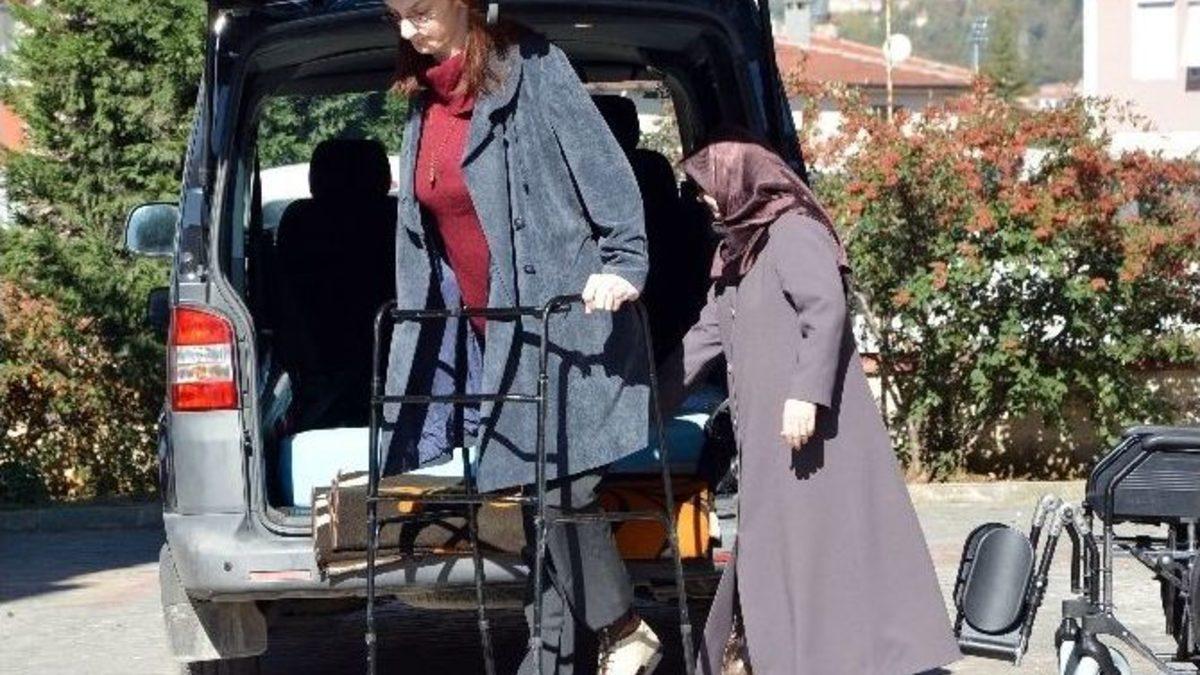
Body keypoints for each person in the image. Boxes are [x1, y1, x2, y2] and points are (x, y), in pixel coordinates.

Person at [380, 1, 663, 673]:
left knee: (562, 489)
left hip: (566, 321)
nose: (408, 31)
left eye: (419, 11)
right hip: (491, 337)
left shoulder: (534, 69)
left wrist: (625, 264)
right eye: (395, 17)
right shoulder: (424, 101)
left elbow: (605, 171)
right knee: (536, 497)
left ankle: (625, 629)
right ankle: (552, 658)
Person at [660, 136, 963, 675]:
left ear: (740, 182)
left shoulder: (794, 232)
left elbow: (825, 309)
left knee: (821, 555)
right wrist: (646, 403)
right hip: (769, 439)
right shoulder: (738, 252)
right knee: (779, 553)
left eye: (706, 187)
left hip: (811, 434)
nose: (701, 199)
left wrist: (806, 393)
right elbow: (705, 337)